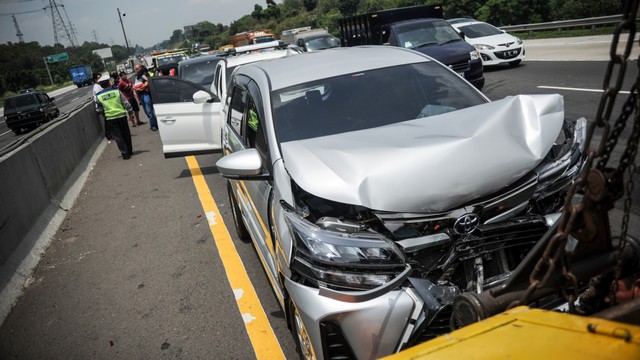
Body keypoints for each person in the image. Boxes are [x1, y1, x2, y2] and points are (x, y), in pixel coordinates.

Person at [94, 76, 136, 159]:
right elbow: (125, 103)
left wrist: (105, 111)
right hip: (121, 115)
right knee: (126, 134)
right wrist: (131, 112)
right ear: (109, 83)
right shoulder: (116, 91)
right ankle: (130, 151)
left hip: (110, 118)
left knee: (118, 136)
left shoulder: (98, 96)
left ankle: (125, 154)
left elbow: (98, 109)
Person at [133, 64, 159, 131]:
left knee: (149, 111)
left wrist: (142, 87)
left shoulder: (145, 74)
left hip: (146, 94)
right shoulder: (136, 77)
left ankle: (153, 125)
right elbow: (134, 86)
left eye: (138, 69)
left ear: (141, 68)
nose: (137, 70)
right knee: (146, 112)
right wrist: (137, 89)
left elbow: (147, 82)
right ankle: (155, 123)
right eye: (136, 69)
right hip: (140, 95)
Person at [93, 73, 114, 141]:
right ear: (95, 79)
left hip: (104, 106)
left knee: (108, 120)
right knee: (107, 120)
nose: (100, 78)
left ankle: (110, 134)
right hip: (102, 107)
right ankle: (109, 135)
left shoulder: (99, 85)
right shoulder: (96, 87)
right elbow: (99, 98)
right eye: (99, 77)